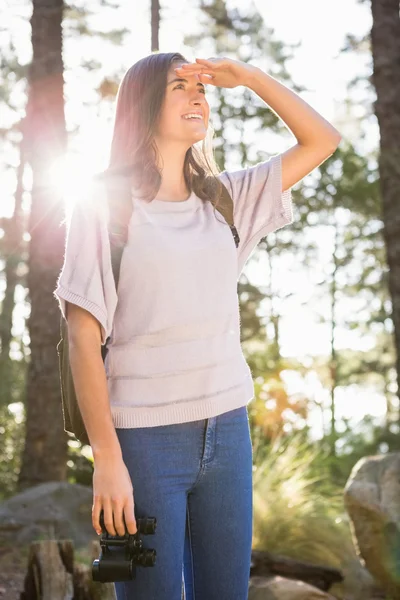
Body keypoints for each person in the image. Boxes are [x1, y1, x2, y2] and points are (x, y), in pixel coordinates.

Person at [54, 52, 341, 600]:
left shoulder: (226, 199)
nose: (197, 95)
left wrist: (251, 78)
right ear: (143, 105)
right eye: (178, 86)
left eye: (201, 87)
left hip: (228, 429)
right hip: (143, 440)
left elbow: (321, 140)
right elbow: (84, 342)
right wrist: (107, 460)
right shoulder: (103, 207)